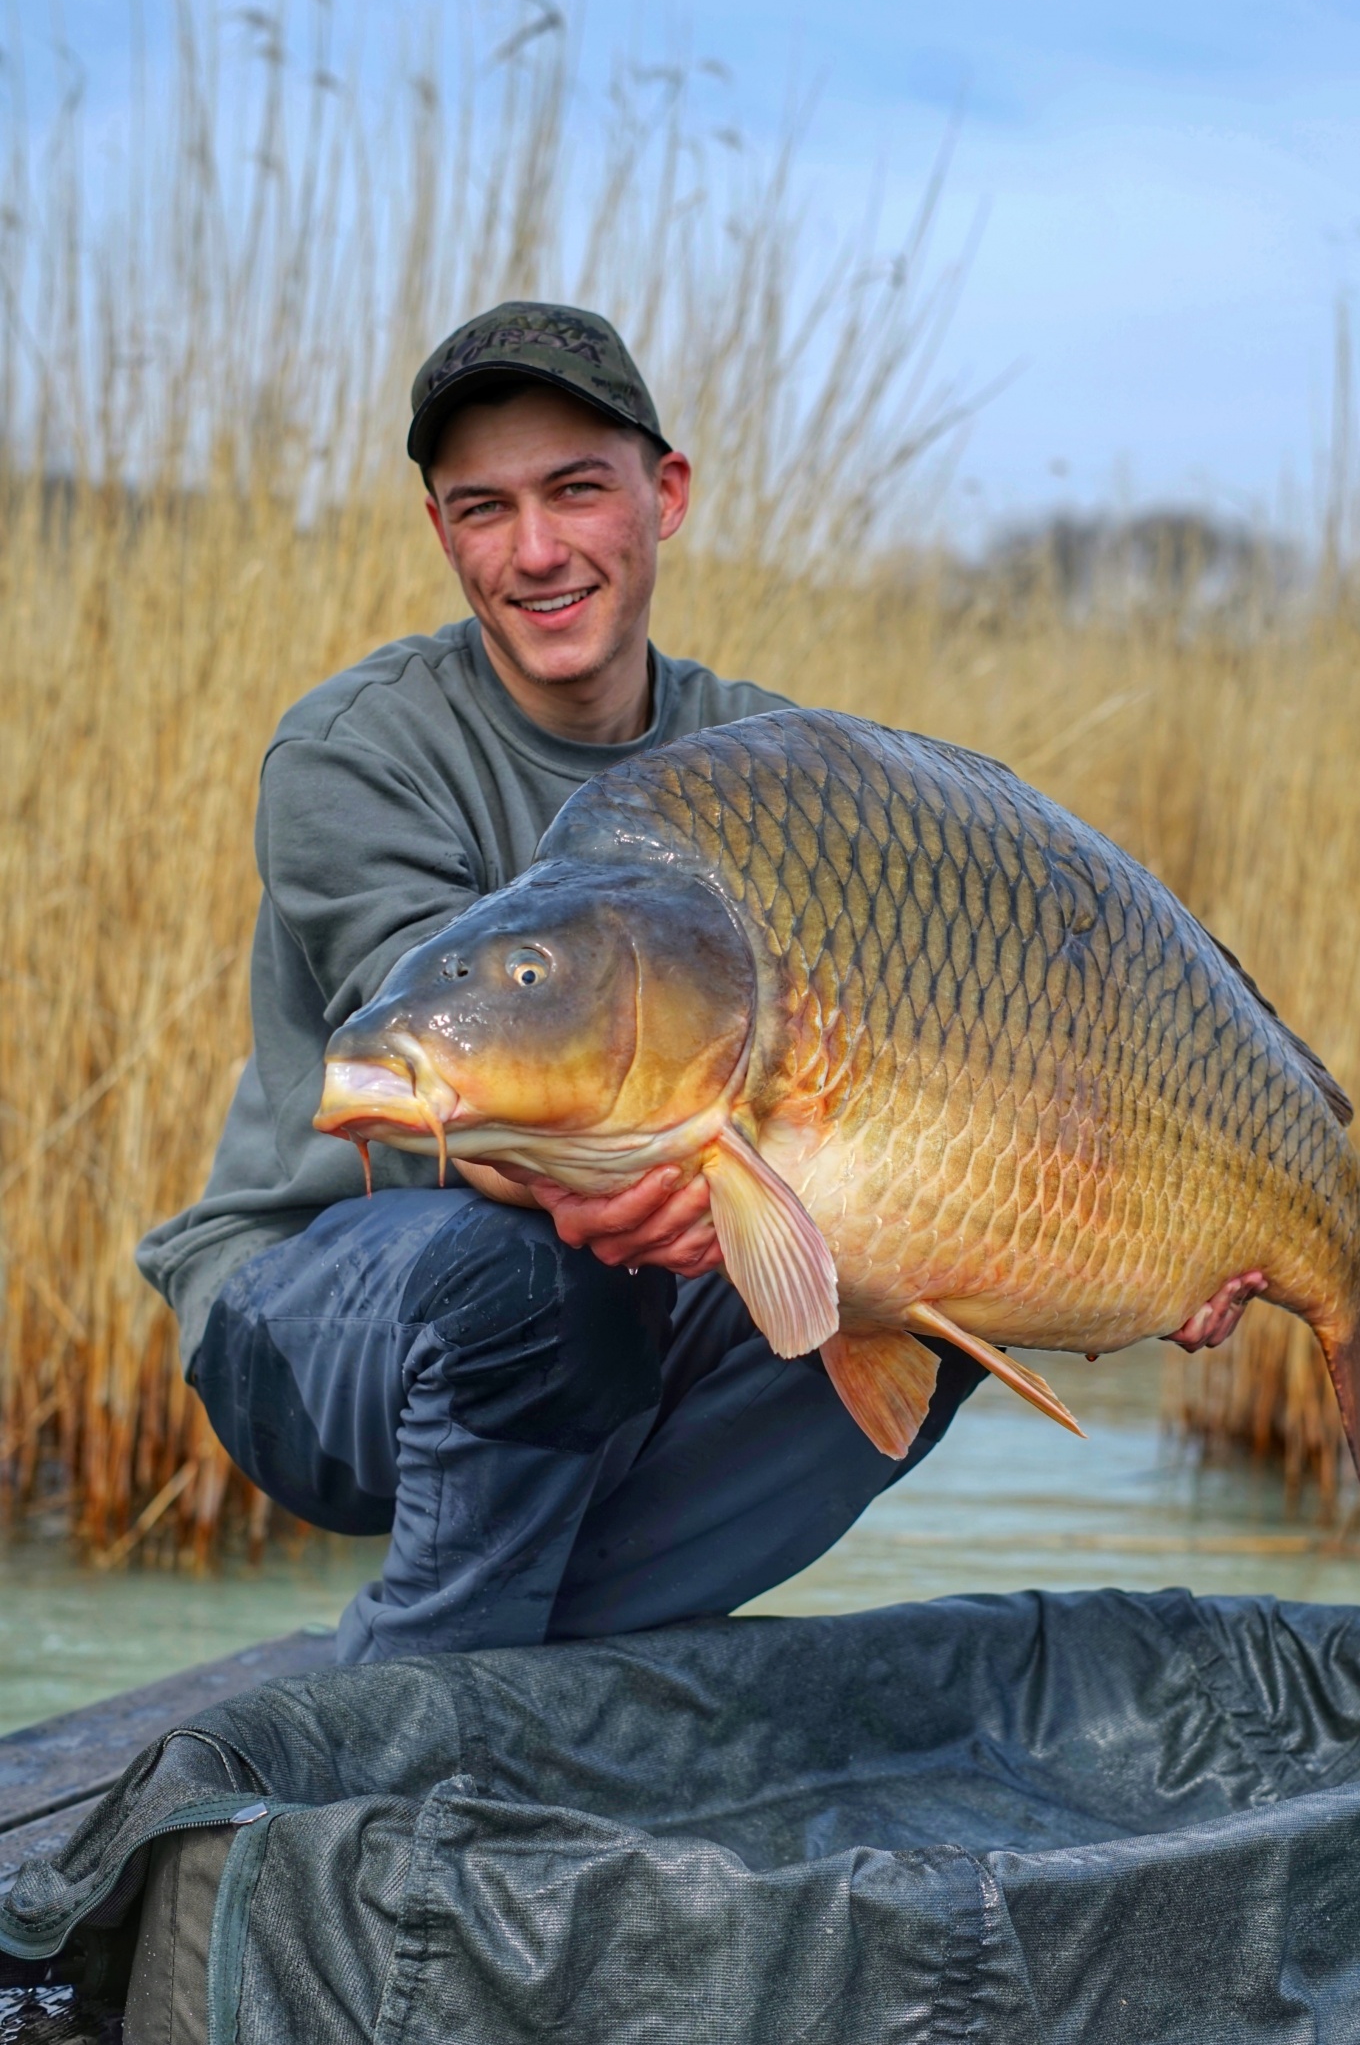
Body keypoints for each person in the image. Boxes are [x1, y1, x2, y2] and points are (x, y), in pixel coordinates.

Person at [137, 302, 982, 1662]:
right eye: (484, 508)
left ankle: (528, 1674)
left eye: (577, 491)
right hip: (310, 1314)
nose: (535, 552)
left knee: (935, 1312)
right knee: (534, 1273)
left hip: (621, 1308)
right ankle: (420, 1719)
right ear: (441, 533)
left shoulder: (772, 772)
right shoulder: (354, 751)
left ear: (667, 496)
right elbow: (458, 1095)